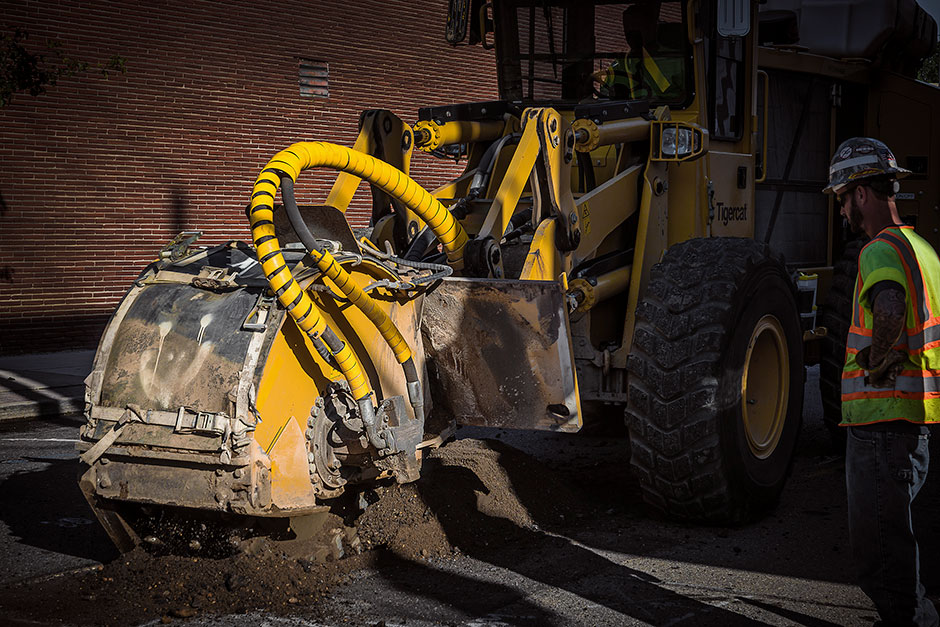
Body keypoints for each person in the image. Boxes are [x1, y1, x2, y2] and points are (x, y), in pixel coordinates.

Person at [824, 137, 939, 627]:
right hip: (914, 423)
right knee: (904, 541)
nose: (843, 209)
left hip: (882, 423)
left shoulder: (878, 250)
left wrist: (876, 363)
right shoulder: (923, 248)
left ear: (862, 195)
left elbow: (889, 308)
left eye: (842, 198)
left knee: (881, 556)